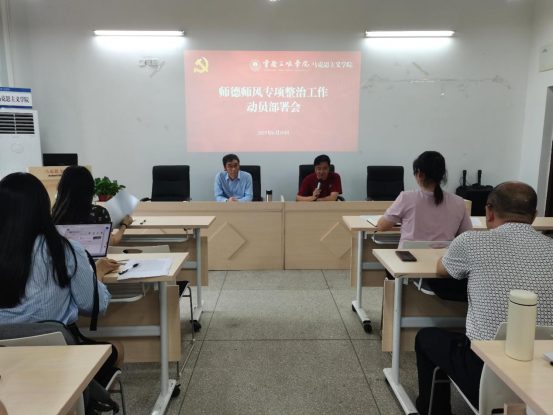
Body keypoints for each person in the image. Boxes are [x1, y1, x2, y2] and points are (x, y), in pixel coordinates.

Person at [414, 182, 553, 415]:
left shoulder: (471, 242)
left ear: (489, 211)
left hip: (487, 376)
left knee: (425, 338)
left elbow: (441, 270)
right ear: (534, 216)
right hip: (545, 376)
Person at [0, 172, 122, 386]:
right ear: (43, 207)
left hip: (5, 365)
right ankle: (84, 399)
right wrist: (98, 274)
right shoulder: (64, 249)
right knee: (117, 349)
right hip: (58, 359)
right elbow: (93, 306)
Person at [376, 151, 473, 300]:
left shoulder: (407, 197)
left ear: (419, 174)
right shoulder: (458, 202)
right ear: (442, 174)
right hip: (445, 266)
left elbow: (381, 226)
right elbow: (467, 236)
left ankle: (395, 308)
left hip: (409, 264)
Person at [52, 166, 132, 245]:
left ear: (61, 188)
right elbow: (111, 242)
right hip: (92, 254)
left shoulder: (57, 212)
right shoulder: (98, 212)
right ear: (89, 189)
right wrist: (124, 224)